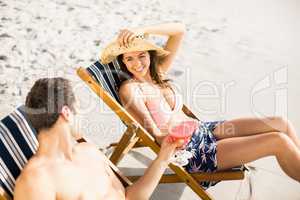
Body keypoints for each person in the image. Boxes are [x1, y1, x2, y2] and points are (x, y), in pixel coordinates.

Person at [100, 22, 300, 188]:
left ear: (150, 55)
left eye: (141, 55)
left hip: (206, 129)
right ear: (123, 62)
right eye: (129, 59)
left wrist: (143, 30)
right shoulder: (130, 90)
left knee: (280, 123)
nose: (137, 64)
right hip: (195, 152)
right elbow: (156, 135)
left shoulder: (157, 74)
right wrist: (176, 137)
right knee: (278, 141)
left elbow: (180, 30)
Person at [14, 77, 184, 200]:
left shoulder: (89, 152)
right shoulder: (36, 180)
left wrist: (163, 158)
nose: (81, 114)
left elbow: (130, 197)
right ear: (67, 113)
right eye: (78, 108)